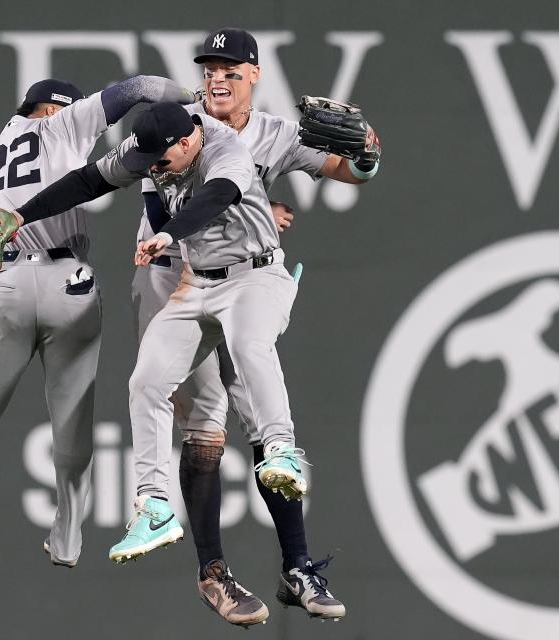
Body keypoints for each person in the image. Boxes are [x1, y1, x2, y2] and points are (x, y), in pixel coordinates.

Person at [9, 100, 315, 628]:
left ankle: (283, 453)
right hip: (197, 284)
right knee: (147, 381)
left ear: (189, 140)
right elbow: (88, 181)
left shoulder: (226, 150)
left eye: (161, 157)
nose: (152, 166)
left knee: (248, 347)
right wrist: (19, 214)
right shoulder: (155, 147)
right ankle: (153, 505)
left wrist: (170, 234)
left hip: (254, 276)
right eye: (146, 157)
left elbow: (216, 197)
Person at [130, 28, 380, 625]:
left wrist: (369, 156)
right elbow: (160, 208)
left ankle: (297, 566)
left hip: (238, 277)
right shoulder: (176, 125)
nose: (217, 78)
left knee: (260, 406)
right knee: (207, 420)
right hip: (171, 272)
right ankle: (212, 572)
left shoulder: (274, 134)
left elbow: (348, 169)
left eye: (230, 69)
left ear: (254, 76)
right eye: (209, 68)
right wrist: (252, 208)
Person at [0, 75, 196, 568]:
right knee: (72, 421)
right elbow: (139, 88)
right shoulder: (62, 125)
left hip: (4, 281)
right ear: (50, 110)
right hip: (69, 282)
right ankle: (68, 538)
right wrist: (192, 101)